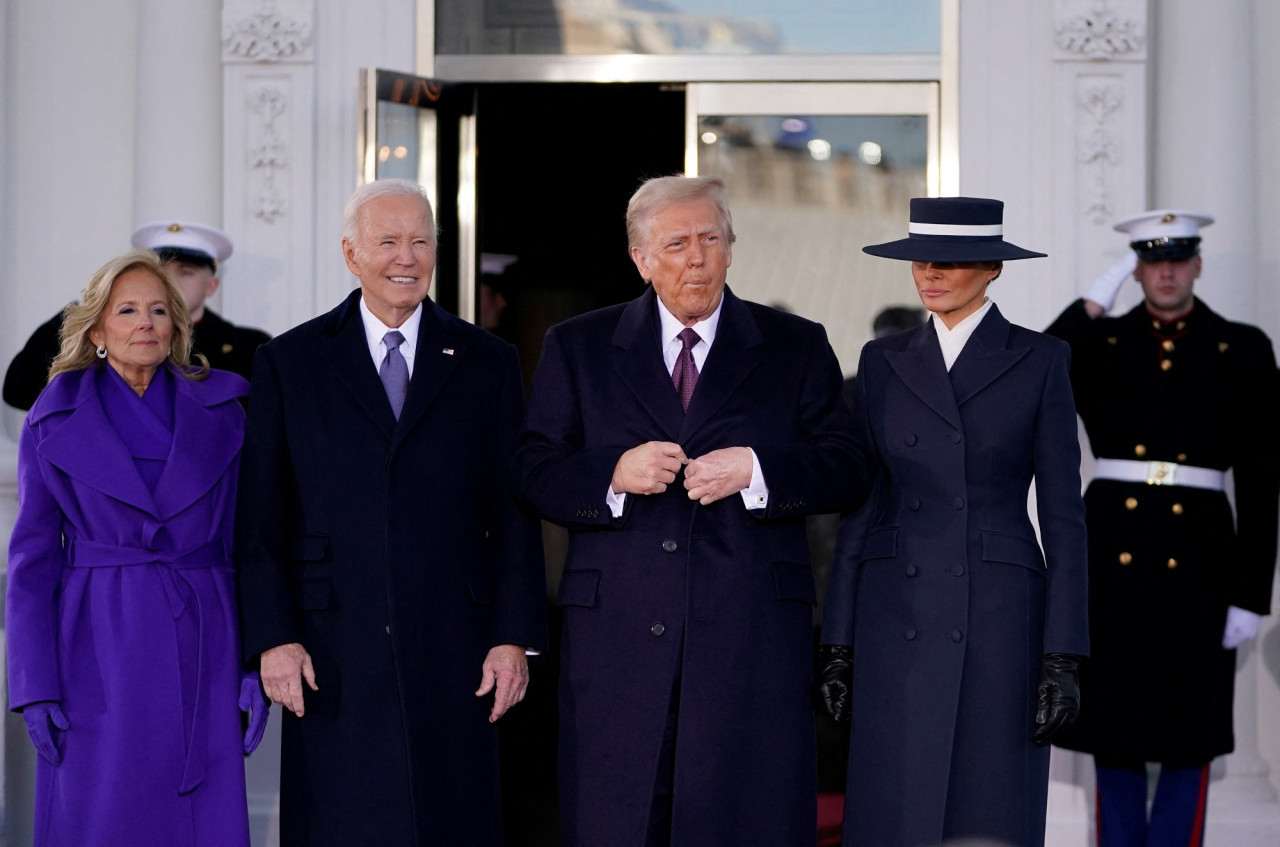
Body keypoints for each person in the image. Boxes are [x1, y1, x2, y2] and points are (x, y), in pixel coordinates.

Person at [513, 175, 861, 847]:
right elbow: (532, 468)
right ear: (641, 258)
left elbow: (847, 465)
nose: (696, 257)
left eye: (710, 239)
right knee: (619, 821)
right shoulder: (578, 345)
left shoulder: (795, 344)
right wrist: (611, 474)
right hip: (616, 646)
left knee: (744, 821)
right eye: (676, 243)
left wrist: (757, 470)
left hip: (750, 641)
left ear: (731, 248)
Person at [233, 178, 547, 847]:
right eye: (387, 241)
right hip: (329, 645)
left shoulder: (488, 362)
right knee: (341, 820)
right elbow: (259, 518)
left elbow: (512, 512)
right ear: (352, 254)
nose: (405, 257)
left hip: (456, 641)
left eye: (420, 241)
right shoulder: (290, 361)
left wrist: (513, 635)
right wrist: (272, 637)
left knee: (451, 817)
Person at [817, 197, 1089, 847]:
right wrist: (838, 641)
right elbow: (863, 506)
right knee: (891, 804)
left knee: (986, 799)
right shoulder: (882, 361)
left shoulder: (1040, 359)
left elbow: (1064, 518)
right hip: (893, 612)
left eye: (950, 260)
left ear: (992, 267)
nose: (928, 272)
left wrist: (1065, 655)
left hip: (998, 616)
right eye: (919, 259)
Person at [5, 249, 268, 846]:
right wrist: (34, 684)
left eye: (158, 310)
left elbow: (246, 544)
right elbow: (31, 562)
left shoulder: (225, 408)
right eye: (127, 310)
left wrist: (255, 658)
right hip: (94, 650)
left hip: (205, 638)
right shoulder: (55, 414)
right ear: (97, 329)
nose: (145, 322)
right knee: (102, 817)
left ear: (179, 324)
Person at [1046, 210, 1279, 847]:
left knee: (1188, 733)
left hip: (1202, 561)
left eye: (1177, 258)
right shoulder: (1105, 343)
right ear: (1137, 268)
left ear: (1198, 263)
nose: (1166, 271)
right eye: (1150, 259)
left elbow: (1262, 479)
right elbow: (1035, 368)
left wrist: (1250, 594)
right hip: (1112, 559)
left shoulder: (1244, 347)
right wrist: (1096, 298)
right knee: (1111, 730)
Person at [3, 220, 269, 410]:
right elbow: (19, 390)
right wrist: (90, 308)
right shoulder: (106, 332)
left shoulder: (249, 347)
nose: (171, 280)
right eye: (162, 270)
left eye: (185, 271)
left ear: (211, 285)